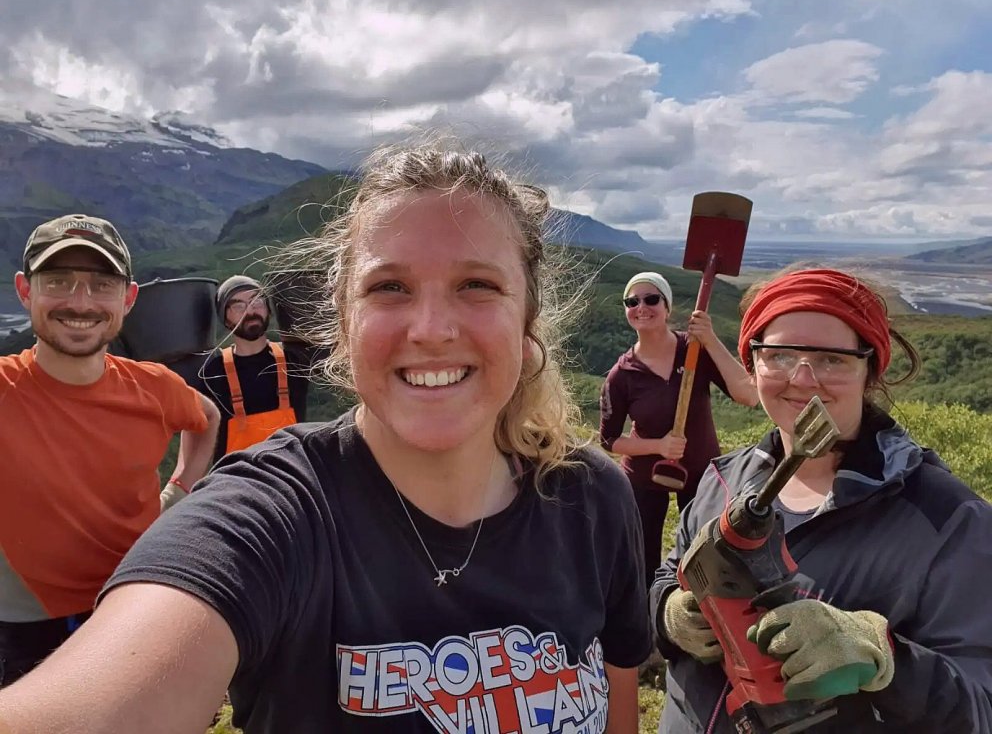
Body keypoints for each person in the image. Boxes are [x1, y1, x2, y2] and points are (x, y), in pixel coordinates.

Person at [0, 146, 653, 733]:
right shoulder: (271, 518)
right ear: (342, 321)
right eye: (389, 287)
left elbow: (618, 696)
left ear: (527, 317)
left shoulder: (591, 497)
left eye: (477, 285)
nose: (431, 328)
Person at [652, 267, 992, 733]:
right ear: (753, 363)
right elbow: (667, 577)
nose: (803, 379)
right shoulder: (721, 481)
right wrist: (670, 613)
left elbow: (979, 707)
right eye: (780, 355)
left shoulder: (947, 520)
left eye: (832, 359)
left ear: (870, 370)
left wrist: (885, 658)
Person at [0, 214, 220, 688]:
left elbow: (207, 418)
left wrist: (178, 491)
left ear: (128, 299)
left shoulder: (155, 387)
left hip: (138, 597)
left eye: (101, 285)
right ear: (25, 290)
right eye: (58, 281)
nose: (80, 302)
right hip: (25, 629)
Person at [599, 271, 758, 585]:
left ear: (667, 307)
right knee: (642, 558)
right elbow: (609, 440)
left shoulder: (695, 349)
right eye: (632, 301)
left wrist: (710, 339)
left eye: (651, 299)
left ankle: (690, 610)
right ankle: (647, 610)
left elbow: (749, 395)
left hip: (700, 472)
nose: (641, 307)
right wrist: (658, 446)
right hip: (645, 476)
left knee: (703, 555)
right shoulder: (622, 374)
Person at [192, 275, 309, 464]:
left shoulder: (294, 361)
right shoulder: (212, 373)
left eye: (257, 301)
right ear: (225, 318)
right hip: (235, 478)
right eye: (239, 306)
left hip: (291, 475)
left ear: (269, 310)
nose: (251, 311)